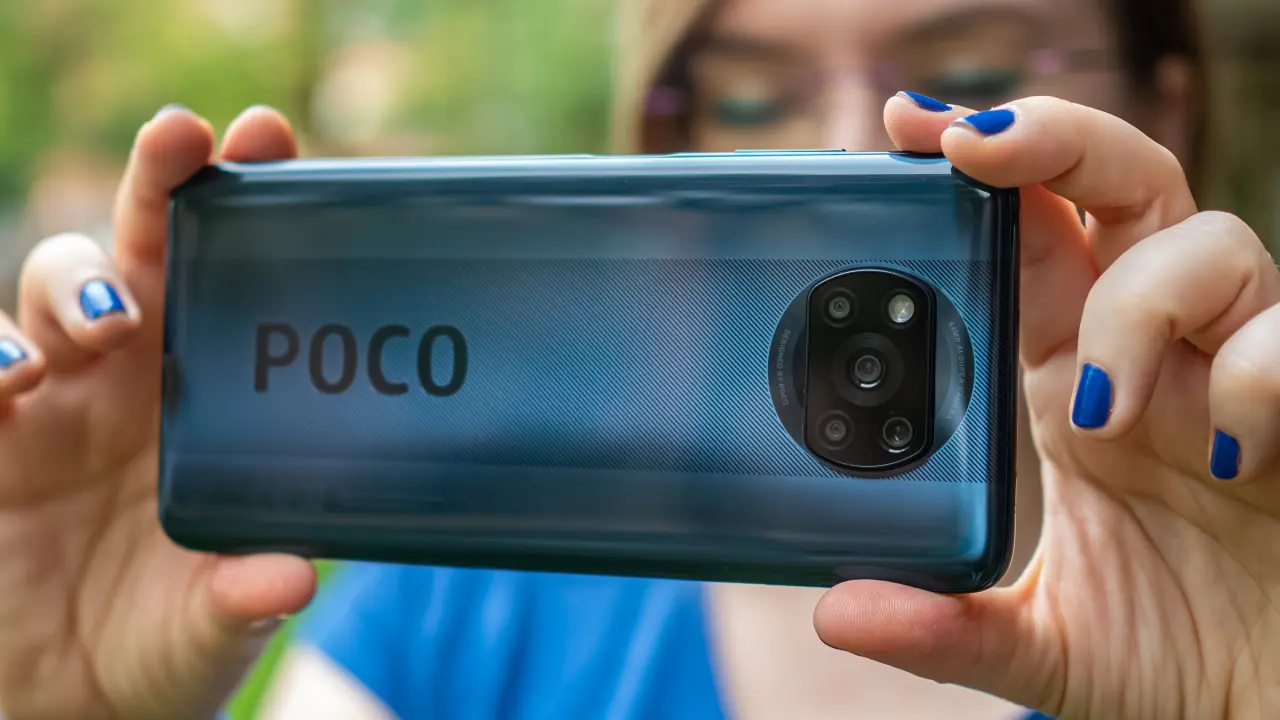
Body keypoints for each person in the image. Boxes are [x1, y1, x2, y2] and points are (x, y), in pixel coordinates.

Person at [0, 0, 1275, 717]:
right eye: (747, 96)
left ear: (1165, 104)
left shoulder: (1239, 604)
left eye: (971, 73)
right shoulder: (463, 607)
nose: (852, 145)